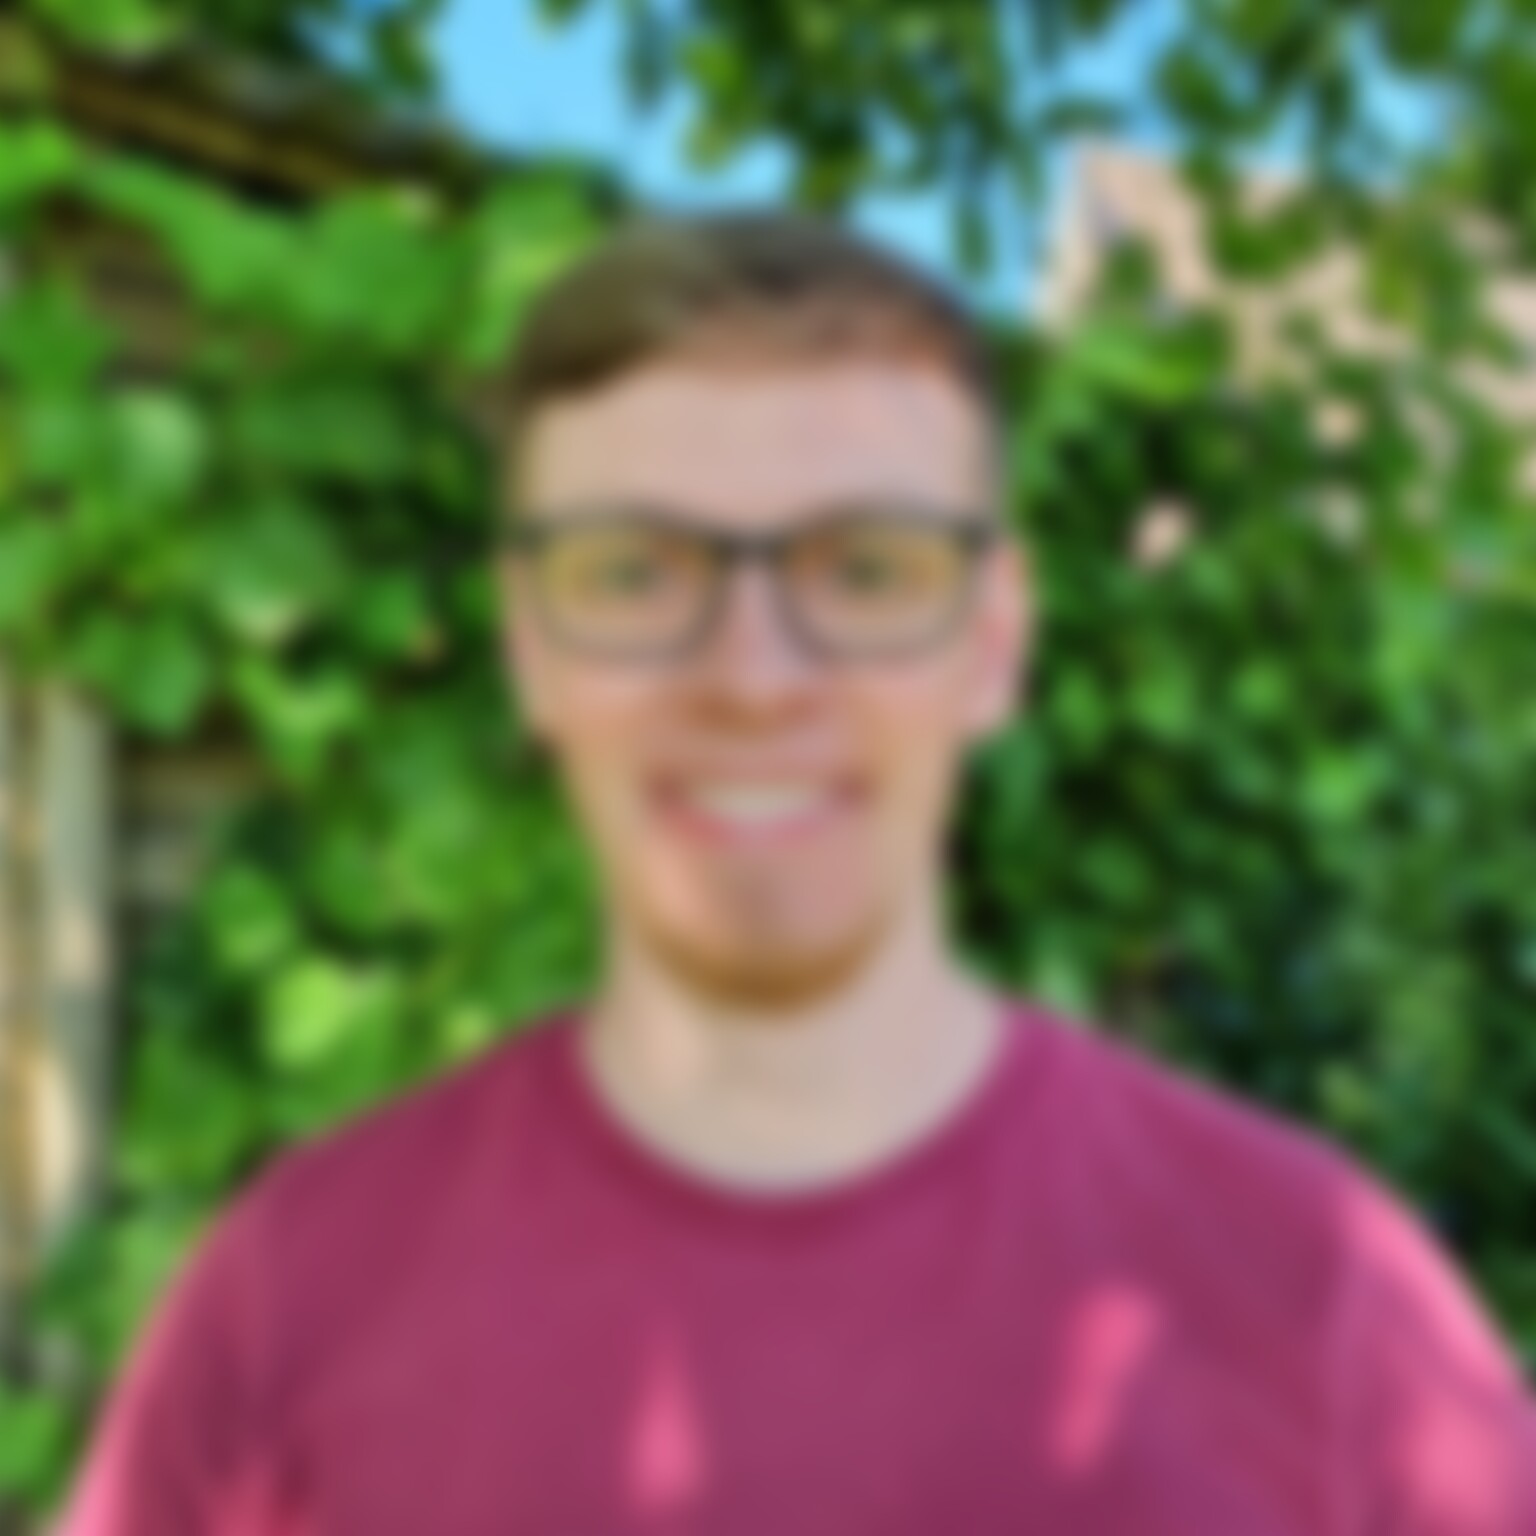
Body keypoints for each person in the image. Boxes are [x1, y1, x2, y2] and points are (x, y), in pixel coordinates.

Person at [59, 212, 1536, 1535]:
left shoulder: (1327, 1304)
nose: (755, 679)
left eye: (867, 570)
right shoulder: (290, 1298)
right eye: (635, 573)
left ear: (994, 640)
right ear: (529, 647)